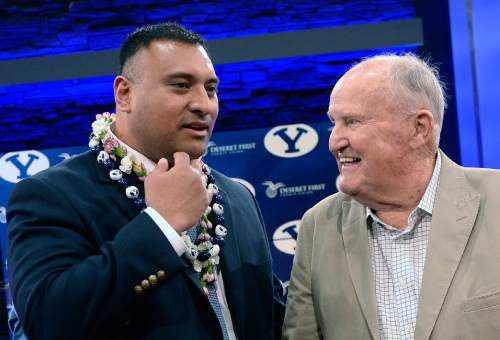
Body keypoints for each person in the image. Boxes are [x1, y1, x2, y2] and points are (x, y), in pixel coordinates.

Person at [7, 22, 284, 340]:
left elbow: (272, 318)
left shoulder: (237, 196)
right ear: (124, 93)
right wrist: (161, 226)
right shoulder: (50, 195)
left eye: (211, 89)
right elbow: (48, 323)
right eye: (181, 85)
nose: (203, 104)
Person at [282, 54, 500, 339]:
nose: (334, 141)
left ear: (419, 128)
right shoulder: (319, 227)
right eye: (334, 123)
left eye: (353, 121)